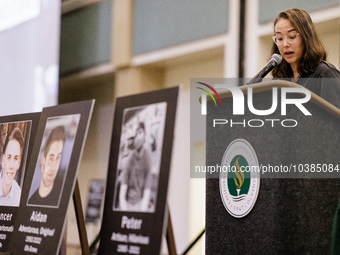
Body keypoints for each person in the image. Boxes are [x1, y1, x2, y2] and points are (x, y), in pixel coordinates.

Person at [271, 8, 340, 108]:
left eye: (292, 36)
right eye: (280, 38)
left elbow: (334, 121)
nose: (285, 44)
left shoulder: (324, 74)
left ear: (306, 37)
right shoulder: (278, 81)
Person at [119, 122, 153, 212]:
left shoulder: (147, 158)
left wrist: (140, 214)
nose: (137, 137)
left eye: (140, 132)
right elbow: (122, 193)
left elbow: (147, 191)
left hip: (141, 204)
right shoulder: (129, 160)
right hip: (127, 204)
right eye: (136, 133)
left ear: (145, 135)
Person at [28, 125, 66, 206]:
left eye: (58, 158)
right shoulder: (31, 203)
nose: (53, 167)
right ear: (43, 163)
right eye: (51, 158)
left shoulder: (62, 196)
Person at [0, 127, 24, 207]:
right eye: (9, 157)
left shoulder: (19, 196)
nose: (11, 166)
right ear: (3, 161)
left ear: (18, 164)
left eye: (15, 158)